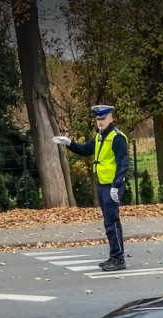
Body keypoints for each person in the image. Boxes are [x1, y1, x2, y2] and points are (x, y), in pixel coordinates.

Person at [54, 105, 129, 271]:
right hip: (103, 184)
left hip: (112, 186)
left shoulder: (117, 138)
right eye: (97, 119)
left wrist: (116, 186)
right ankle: (114, 256)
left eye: (102, 119)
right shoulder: (100, 137)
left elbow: (123, 163)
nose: (100, 122)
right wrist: (69, 143)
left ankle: (118, 259)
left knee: (112, 222)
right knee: (109, 222)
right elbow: (86, 150)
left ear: (111, 118)